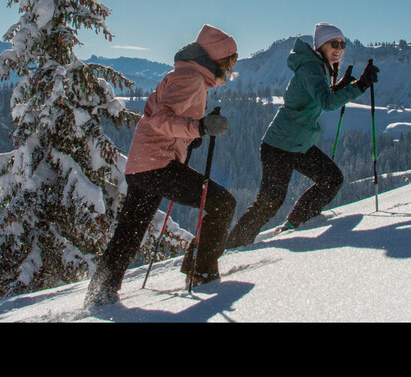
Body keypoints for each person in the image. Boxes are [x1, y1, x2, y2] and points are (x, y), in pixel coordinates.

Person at [85, 24, 239, 307]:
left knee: (129, 231)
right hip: (157, 164)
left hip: (143, 163)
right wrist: (199, 127)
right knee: (222, 203)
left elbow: (153, 115)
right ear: (219, 59)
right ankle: (201, 272)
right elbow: (159, 119)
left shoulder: (183, 73)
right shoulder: (191, 78)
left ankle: (100, 292)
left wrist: (190, 135)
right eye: (230, 61)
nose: (231, 68)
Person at [226, 22, 379, 249]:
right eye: (334, 43)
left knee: (331, 179)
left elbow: (317, 97)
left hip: (298, 144)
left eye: (342, 44)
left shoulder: (319, 67)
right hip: (279, 145)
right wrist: (360, 86)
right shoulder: (312, 68)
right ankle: (233, 246)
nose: (339, 48)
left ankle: (296, 222)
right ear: (321, 46)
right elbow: (326, 103)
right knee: (270, 202)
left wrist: (342, 87)